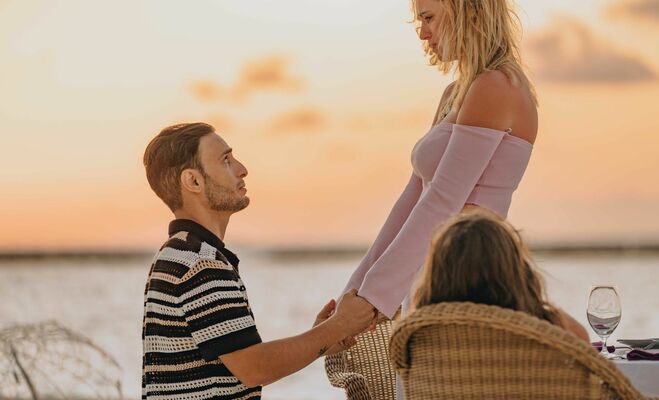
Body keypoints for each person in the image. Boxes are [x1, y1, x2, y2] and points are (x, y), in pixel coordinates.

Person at [140, 122, 375, 399]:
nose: (242, 169)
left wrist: (322, 337)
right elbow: (255, 368)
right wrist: (338, 326)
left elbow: (245, 359)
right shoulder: (200, 262)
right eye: (226, 160)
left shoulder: (179, 253)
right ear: (193, 181)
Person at [341, 0, 539, 321]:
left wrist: (371, 298)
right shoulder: (455, 94)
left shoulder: (495, 86)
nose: (423, 33)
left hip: (469, 279)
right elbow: (410, 203)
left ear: (468, 10)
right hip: (433, 276)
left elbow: (443, 201)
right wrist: (353, 292)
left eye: (429, 18)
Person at [414, 210, 590, 341]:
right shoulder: (546, 330)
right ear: (515, 271)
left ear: (437, 276)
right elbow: (585, 352)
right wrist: (542, 309)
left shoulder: (418, 335)